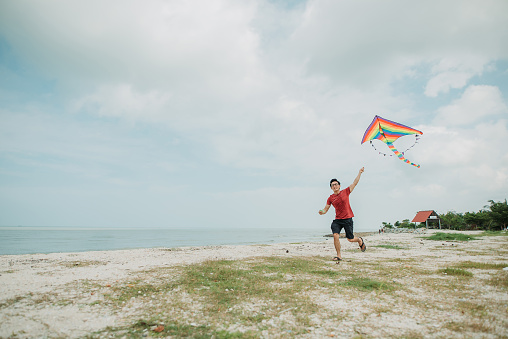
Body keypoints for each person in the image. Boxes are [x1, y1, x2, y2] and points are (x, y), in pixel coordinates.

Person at [319, 167, 365, 261]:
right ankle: (339, 255)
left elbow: (355, 183)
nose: (334, 186)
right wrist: (322, 212)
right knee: (336, 235)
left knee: (350, 239)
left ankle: (359, 240)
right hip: (338, 220)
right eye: (332, 185)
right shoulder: (330, 198)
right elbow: (325, 209)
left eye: (336, 184)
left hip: (348, 219)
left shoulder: (346, 192)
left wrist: (359, 173)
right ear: (331, 188)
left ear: (339, 186)